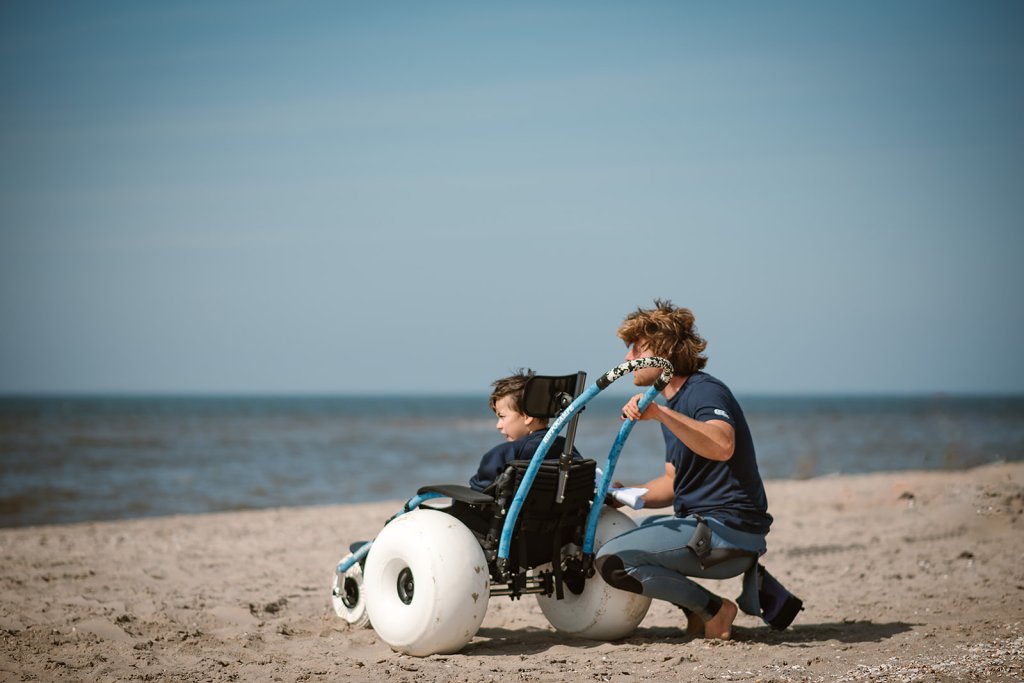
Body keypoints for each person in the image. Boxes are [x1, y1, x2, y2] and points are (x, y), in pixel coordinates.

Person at [595, 299, 801, 640]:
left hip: (728, 531)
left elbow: (722, 445)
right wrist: (622, 495)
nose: (628, 359)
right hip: (706, 527)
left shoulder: (703, 391)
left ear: (661, 352)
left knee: (614, 560)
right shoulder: (674, 403)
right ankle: (699, 613)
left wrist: (660, 413)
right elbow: (673, 485)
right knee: (633, 534)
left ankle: (714, 611)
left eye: (636, 350)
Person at [469, 368, 581, 492]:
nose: (498, 425)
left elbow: (478, 494)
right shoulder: (566, 448)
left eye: (502, 417)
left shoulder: (504, 453)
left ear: (528, 417)